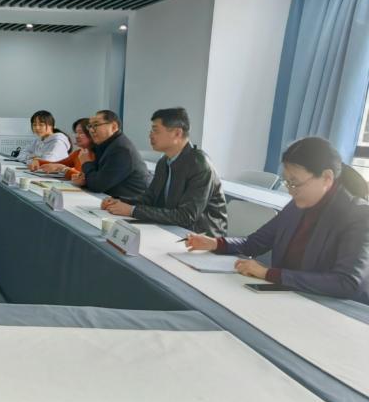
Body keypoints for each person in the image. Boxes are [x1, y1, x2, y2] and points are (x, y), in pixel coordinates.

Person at [186, 137, 369, 302]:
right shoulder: (297, 206)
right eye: (287, 182)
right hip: (288, 296)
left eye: (295, 183)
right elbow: (254, 243)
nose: (290, 190)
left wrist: (269, 273)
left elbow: (347, 283)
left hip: (334, 309)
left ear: (327, 178)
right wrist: (215, 243)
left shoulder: (358, 216)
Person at [101, 107, 228, 235]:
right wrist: (121, 201)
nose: (150, 135)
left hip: (201, 237)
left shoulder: (200, 165)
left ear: (177, 133)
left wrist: (132, 211)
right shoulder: (164, 161)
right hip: (172, 229)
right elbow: (149, 198)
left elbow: (186, 216)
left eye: (155, 130)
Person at [71, 110, 150, 199]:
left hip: (129, 203)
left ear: (113, 127)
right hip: (109, 198)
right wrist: (84, 180)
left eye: (96, 125)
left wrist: (86, 163)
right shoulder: (104, 145)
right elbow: (97, 177)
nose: (91, 130)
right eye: (90, 126)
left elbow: (97, 186)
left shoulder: (121, 149)